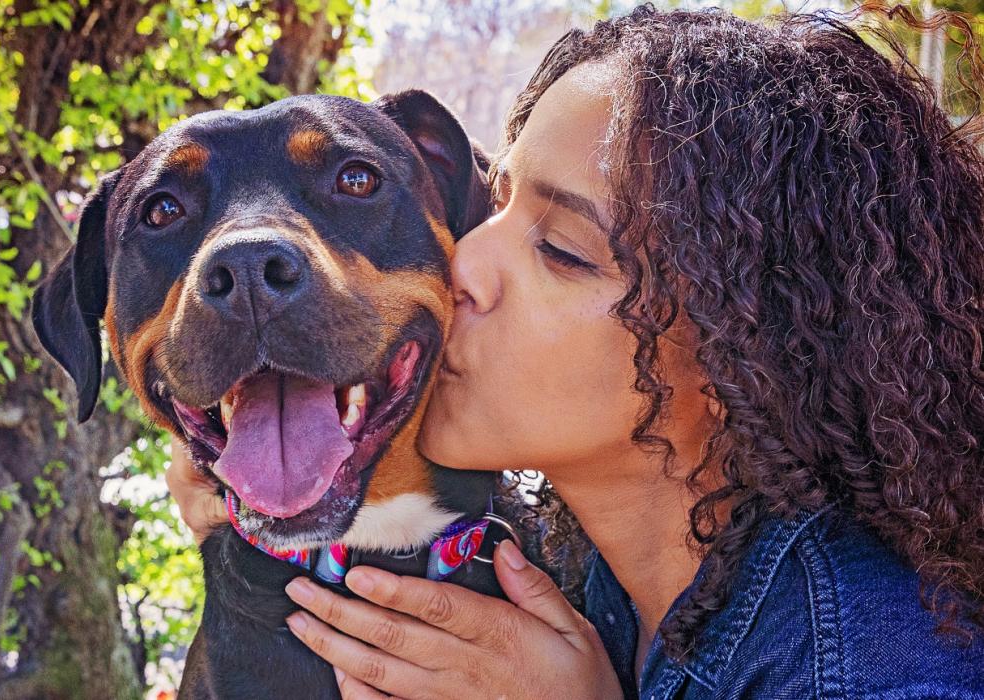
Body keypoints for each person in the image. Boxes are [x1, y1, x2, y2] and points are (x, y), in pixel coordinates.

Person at [165, 5, 984, 698]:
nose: (464, 264)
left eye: (560, 249)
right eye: (497, 203)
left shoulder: (870, 668)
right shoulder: (579, 560)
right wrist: (271, 481)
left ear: (748, 356)